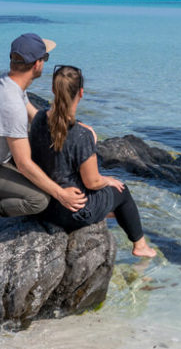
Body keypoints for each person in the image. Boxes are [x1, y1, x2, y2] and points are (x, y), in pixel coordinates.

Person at [0, 33, 87, 249]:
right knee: (39, 200)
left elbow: (36, 119)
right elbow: (24, 164)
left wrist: (75, 129)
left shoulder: (7, 83)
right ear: (37, 64)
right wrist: (61, 194)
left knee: (47, 167)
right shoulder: (10, 103)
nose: (44, 63)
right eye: (45, 59)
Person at [29, 64, 157, 258]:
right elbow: (92, 182)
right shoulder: (82, 136)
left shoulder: (38, 119)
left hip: (43, 206)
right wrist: (109, 179)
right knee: (122, 192)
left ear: (53, 90)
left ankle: (117, 216)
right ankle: (140, 246)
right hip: (69, 212)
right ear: (81, 92)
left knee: (112, 200)